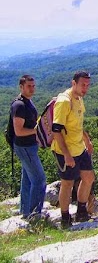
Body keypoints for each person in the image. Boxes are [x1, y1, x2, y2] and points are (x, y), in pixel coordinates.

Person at [51, 71, 95, 228]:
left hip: (79, 148)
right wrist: (67, 155)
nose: (85, 88)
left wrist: (87, 141)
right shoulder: (64, 101)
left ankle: (82, 213)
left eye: (88, 85)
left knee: (88, 178)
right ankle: (65, 218)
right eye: (82, 84)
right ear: (73, 83)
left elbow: (78, 125)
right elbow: (56, 131)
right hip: (65, 151)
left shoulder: (79, 99)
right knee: (67, 184)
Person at [10, 75, 47, 220]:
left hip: (29, 145)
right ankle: (34, 214)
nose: (32, 89)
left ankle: (25, 210)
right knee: (39, 179)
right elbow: (19, 131)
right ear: (21, 87)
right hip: (25, 147)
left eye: (33, 86)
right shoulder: (19, 106)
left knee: (27, 179)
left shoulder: (27, 102)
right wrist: (38, 131)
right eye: (28, 86)